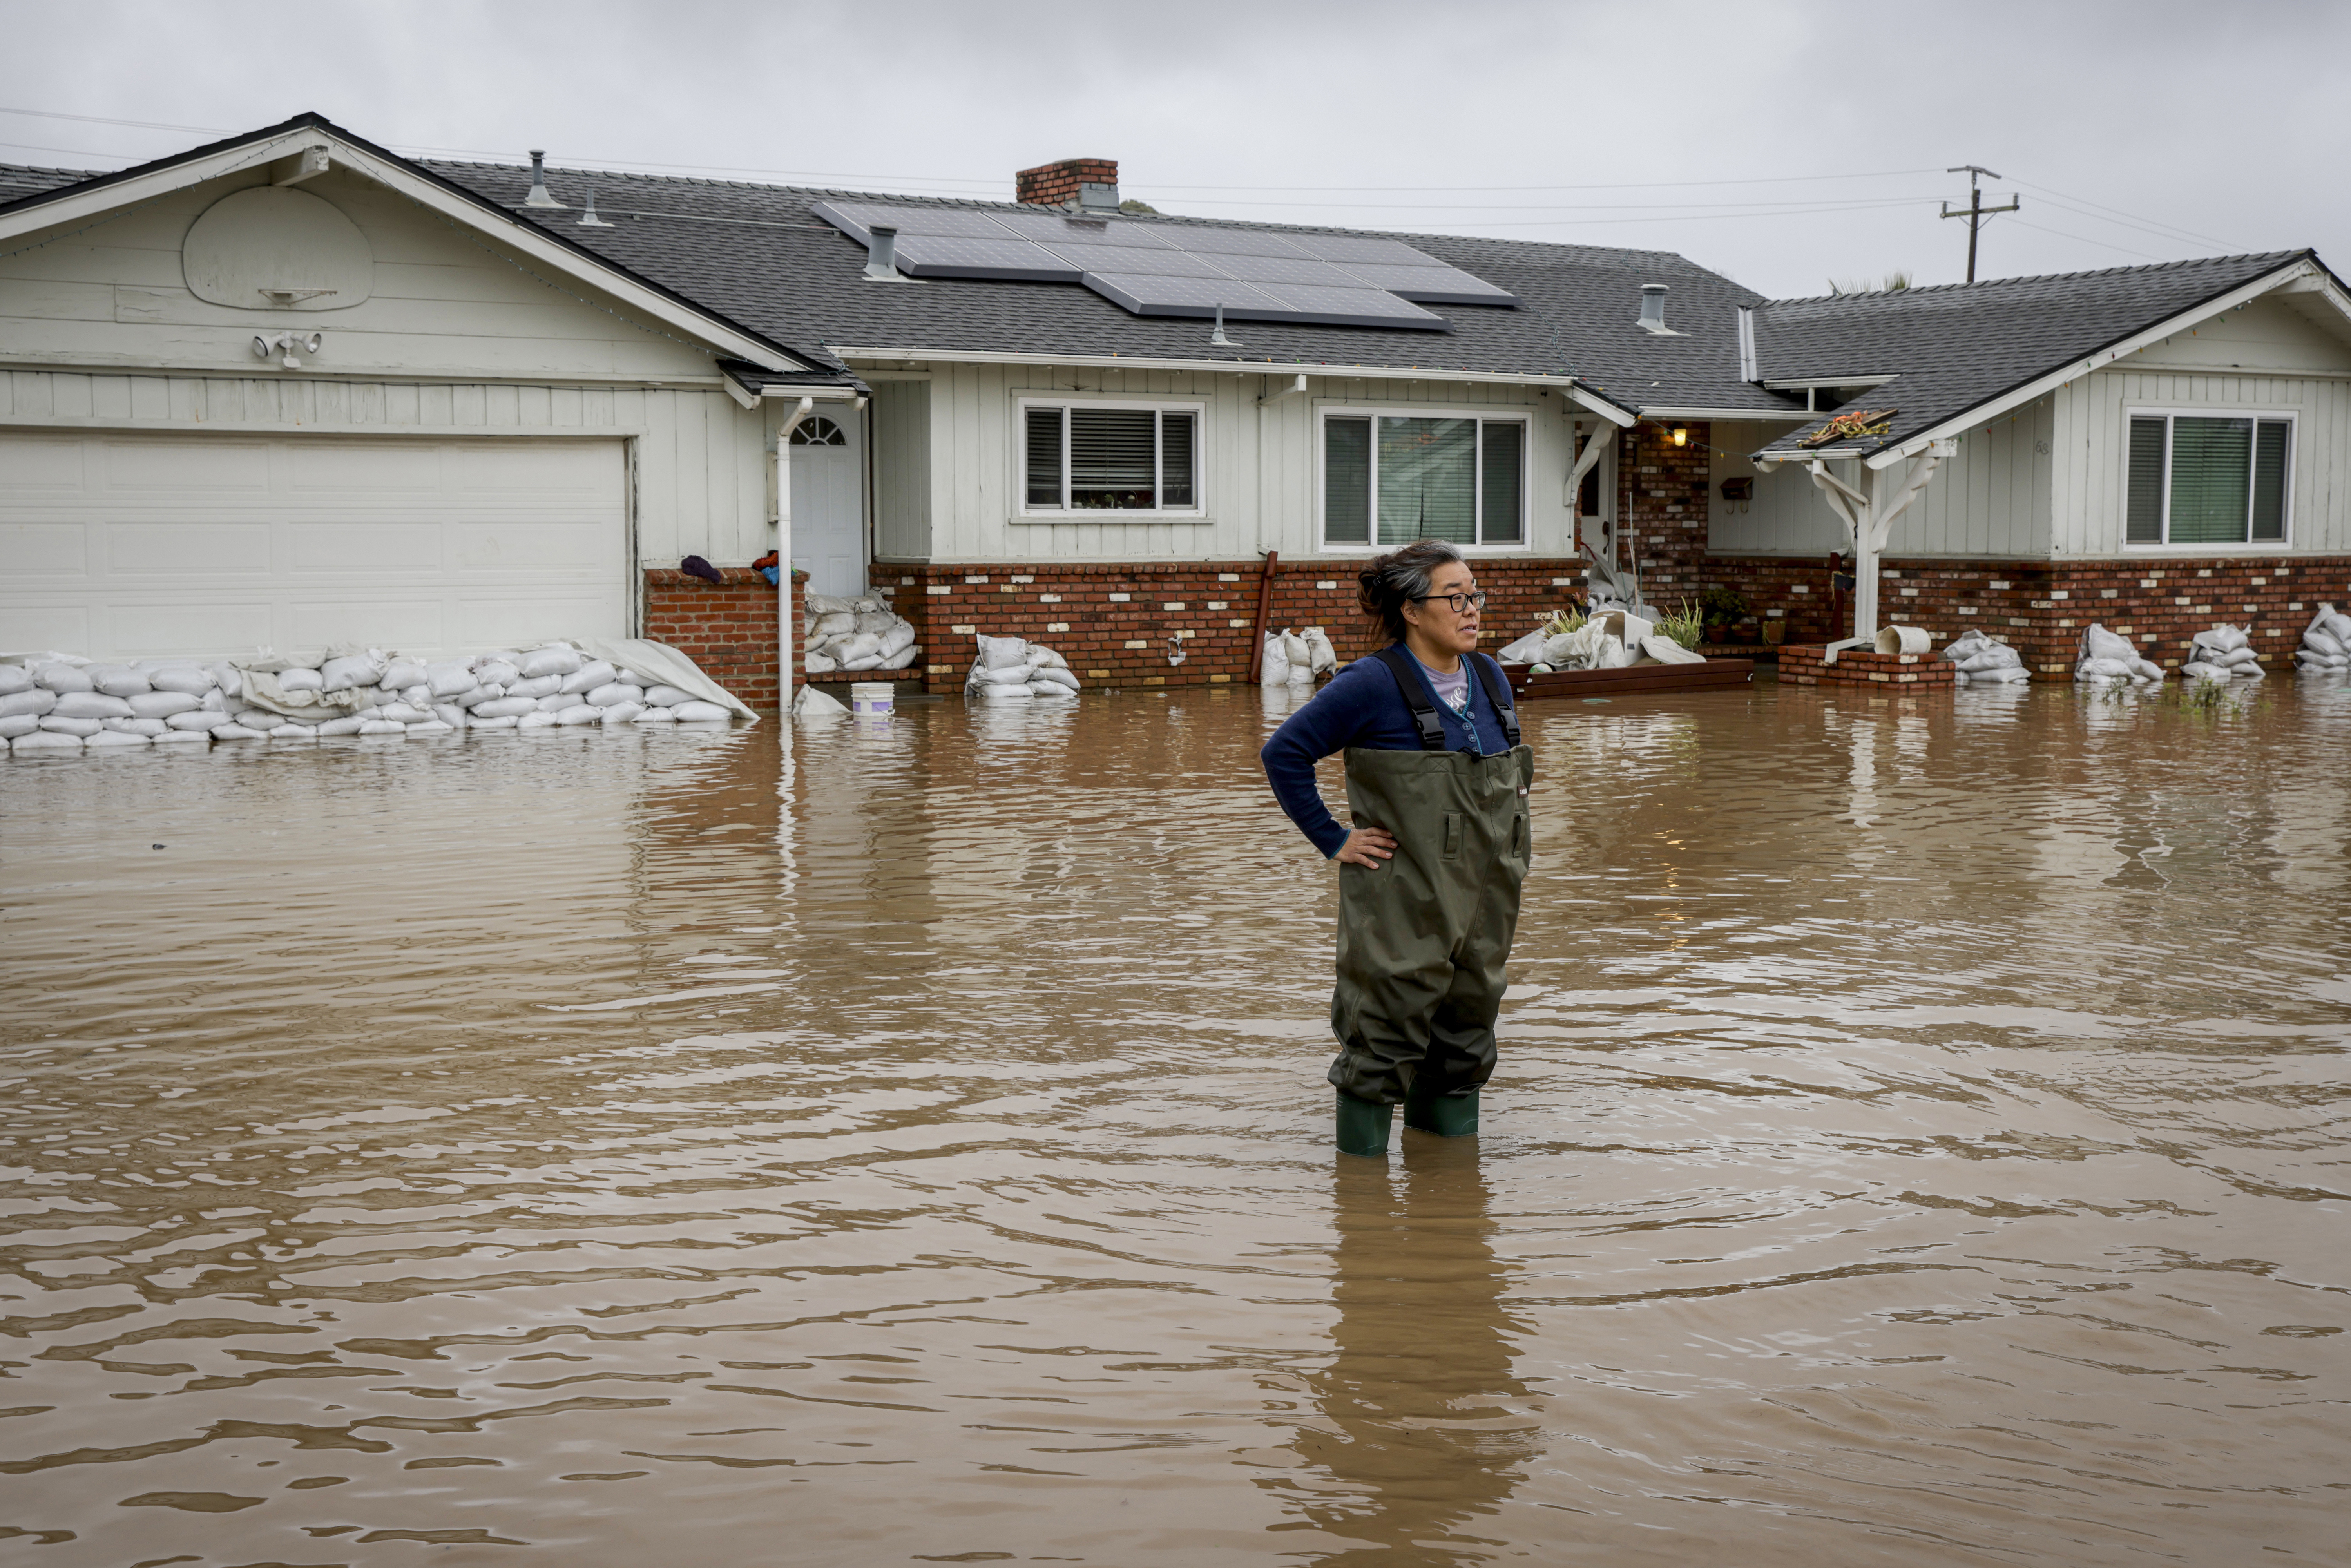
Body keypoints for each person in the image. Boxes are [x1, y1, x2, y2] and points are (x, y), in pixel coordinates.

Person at [1259, 540, 1534, 1158]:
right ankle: (1362, 1207)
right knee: (1381, 1041)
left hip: (1485, 905)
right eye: (1455, 597)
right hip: (1400, 903)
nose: (1472, 609)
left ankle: (1447, 1196)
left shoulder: (1490, 678)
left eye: (1475, 595)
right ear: (1412, 610)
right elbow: (1284, 755)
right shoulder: (1371, 684)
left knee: (1466, 1039)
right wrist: (1335, 839)